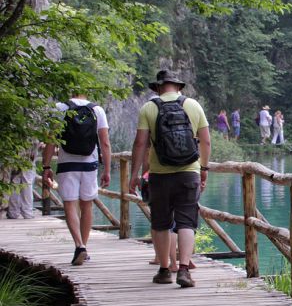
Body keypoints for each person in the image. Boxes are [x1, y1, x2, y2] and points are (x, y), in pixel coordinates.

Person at [128, 70, 210, 288]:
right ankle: (183, 269)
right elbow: (206, 142)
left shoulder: (149, 107)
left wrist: (134, 175)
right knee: (186, 222)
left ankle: (164, 270)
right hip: (188, 172)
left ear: (158, 88)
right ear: (179, 87)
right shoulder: (193, 105)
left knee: (161, 223)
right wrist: (204, 169)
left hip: (159, 175)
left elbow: (140, 145)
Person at [41, 94, 112, 266]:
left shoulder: (60, 108)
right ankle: (84, 247)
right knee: (87, 204)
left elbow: (51, 140)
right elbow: (105, 143)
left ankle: (79, 246)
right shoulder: (97, 110)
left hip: (67, 164)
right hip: (90, 164)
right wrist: (107, 169)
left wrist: (46, 166)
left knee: (70, 204)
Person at [6, 141, 40, 220]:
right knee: (27, 184)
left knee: (14, 182)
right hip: (28, 155)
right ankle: (27, 212)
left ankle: (13, 212)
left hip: (14, 154)